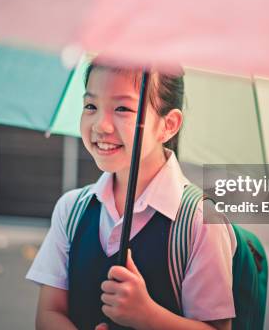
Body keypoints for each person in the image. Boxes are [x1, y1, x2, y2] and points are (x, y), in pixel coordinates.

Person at [26, 61, 236, 330]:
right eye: (91, 106)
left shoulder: (200, 221)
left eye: (123, 108)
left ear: (168, 125)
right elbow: (49, 312)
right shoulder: (72, 209)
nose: (100, 125)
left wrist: (147, 315)